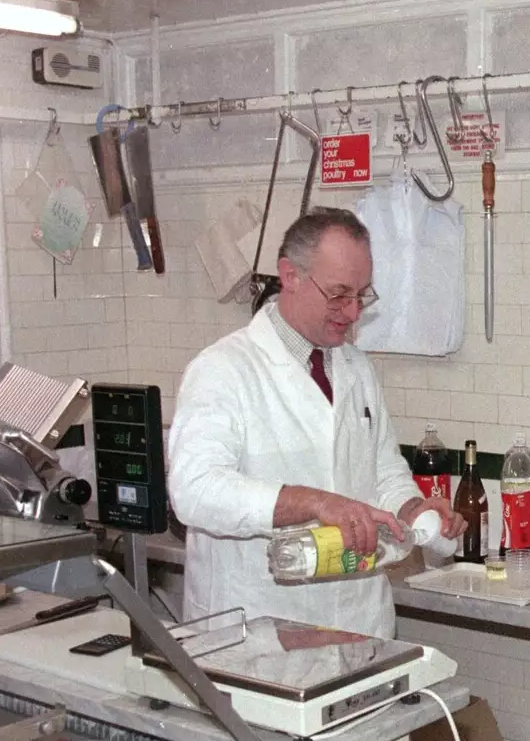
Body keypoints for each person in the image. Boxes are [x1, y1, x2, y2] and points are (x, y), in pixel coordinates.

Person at [168, 208, 462, 639]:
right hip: (256, 629)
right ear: (290, 276)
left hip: (358, 622)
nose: (353, 312)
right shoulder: (223, 370)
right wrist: (314, 503)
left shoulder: (355, 368)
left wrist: (413, 509)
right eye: (339, 294)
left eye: (362, 295)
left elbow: (383, 472)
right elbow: (194, 492)